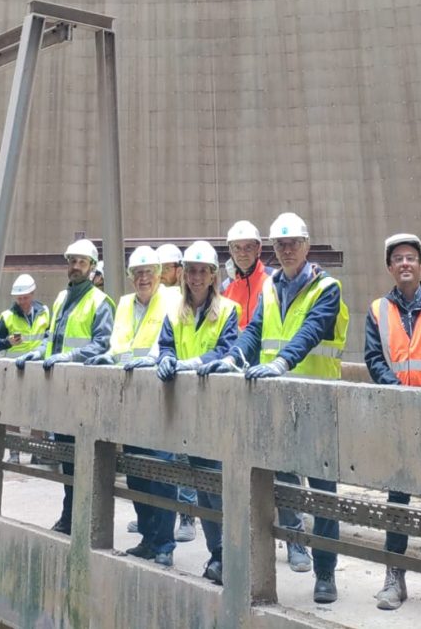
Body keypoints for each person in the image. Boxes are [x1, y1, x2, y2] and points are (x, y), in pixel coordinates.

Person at [201, 212, 349, 606]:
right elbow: (253, 332)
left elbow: (312, 330)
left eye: (293, 243)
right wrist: (233, 359)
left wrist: (281, 363)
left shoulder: (326, 288)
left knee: (322, 496)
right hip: (278, 404)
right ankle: (294, 545)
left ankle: (325, 573)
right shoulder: (270, 287)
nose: (286, 250)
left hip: (317, 403)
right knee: (282, 488)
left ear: (306, 244)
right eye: (280, 244)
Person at [364, 233, 421, 611]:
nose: (404, 264)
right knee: (397, 499)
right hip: (398, 418)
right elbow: (373, 357)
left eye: (411, 258)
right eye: (397, 258)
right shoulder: (378, 310)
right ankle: (393, 577)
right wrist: (398, 391)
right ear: (389, 267)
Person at [85, 244, 178, 565]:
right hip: (130, 401)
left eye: (148, 273)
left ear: (158, 275)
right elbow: (118, 345)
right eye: (137, 274)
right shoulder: (124, 305)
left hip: (161, 399)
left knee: (162, 474)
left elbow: (168, 345)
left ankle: (165, 545)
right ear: (130, 278)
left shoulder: (172, 300)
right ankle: (149, 539)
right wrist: (106, 357)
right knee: (138, 473)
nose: (143, 279)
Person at [14, 239, 114, 535]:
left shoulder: (99, 302)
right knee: (67, 460)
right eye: (72, 261)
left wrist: (70, 356)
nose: (75, 267)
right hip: (62, 394)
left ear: (92, 267)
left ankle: (80, 519)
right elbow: (51, 336)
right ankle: (70, 516)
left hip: (85, 393)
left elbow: (102, 343)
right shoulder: (60, 299)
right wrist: (39, 351)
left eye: (81, 262)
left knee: (83, 461)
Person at [155, 240, 240, 585]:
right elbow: (165, 344)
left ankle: (223, 555)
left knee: (215, 486)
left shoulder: (228, 310)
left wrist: (194, 363)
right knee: (197, 485)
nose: (195, 277)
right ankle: (216, 553)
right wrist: (164, 358)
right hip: (184, 410)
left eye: (202, 271)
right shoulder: (175, 311)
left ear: (212, 275)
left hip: (216, 410)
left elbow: (227, 347)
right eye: (191, 270)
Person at [154, 241, 194, 540]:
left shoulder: (182, 298)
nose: (160, 273)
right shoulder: (157, 297)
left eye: (165, 267)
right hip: (163, 379)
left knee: (186, 455)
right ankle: (164, 514)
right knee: (165, 456)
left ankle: (188, 517)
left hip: (187, 381)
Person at [0, 272, 49, 464]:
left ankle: (37, 452)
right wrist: (7, 342)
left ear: (32, 294)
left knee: (39, 412)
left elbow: (50, 337)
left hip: (40, 370)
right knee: (14, 413)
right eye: (19, 298)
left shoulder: (45, 313)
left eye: (25, 298)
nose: (22, 302)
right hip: (16, 371)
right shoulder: (7, 317)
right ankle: (14, 453)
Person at [220, 220, 270, 329]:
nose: (242, 253)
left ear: (258, 249)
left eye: (248, 247)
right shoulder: (224, 289)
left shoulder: (274, 281)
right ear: (230, 251)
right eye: (237, 248)